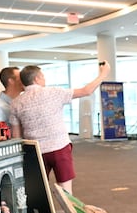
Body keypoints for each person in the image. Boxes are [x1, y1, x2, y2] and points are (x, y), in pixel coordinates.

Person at [9, 61, 110, 194]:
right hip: (59, 147)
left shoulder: (15, 103)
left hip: (36, 151)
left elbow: (16, 136)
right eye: (43, 76)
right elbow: (87, 91)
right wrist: (103, 74)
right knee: (65, 191)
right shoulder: (54, 92)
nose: (44, 79)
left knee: (37, 190)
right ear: (36, 79)